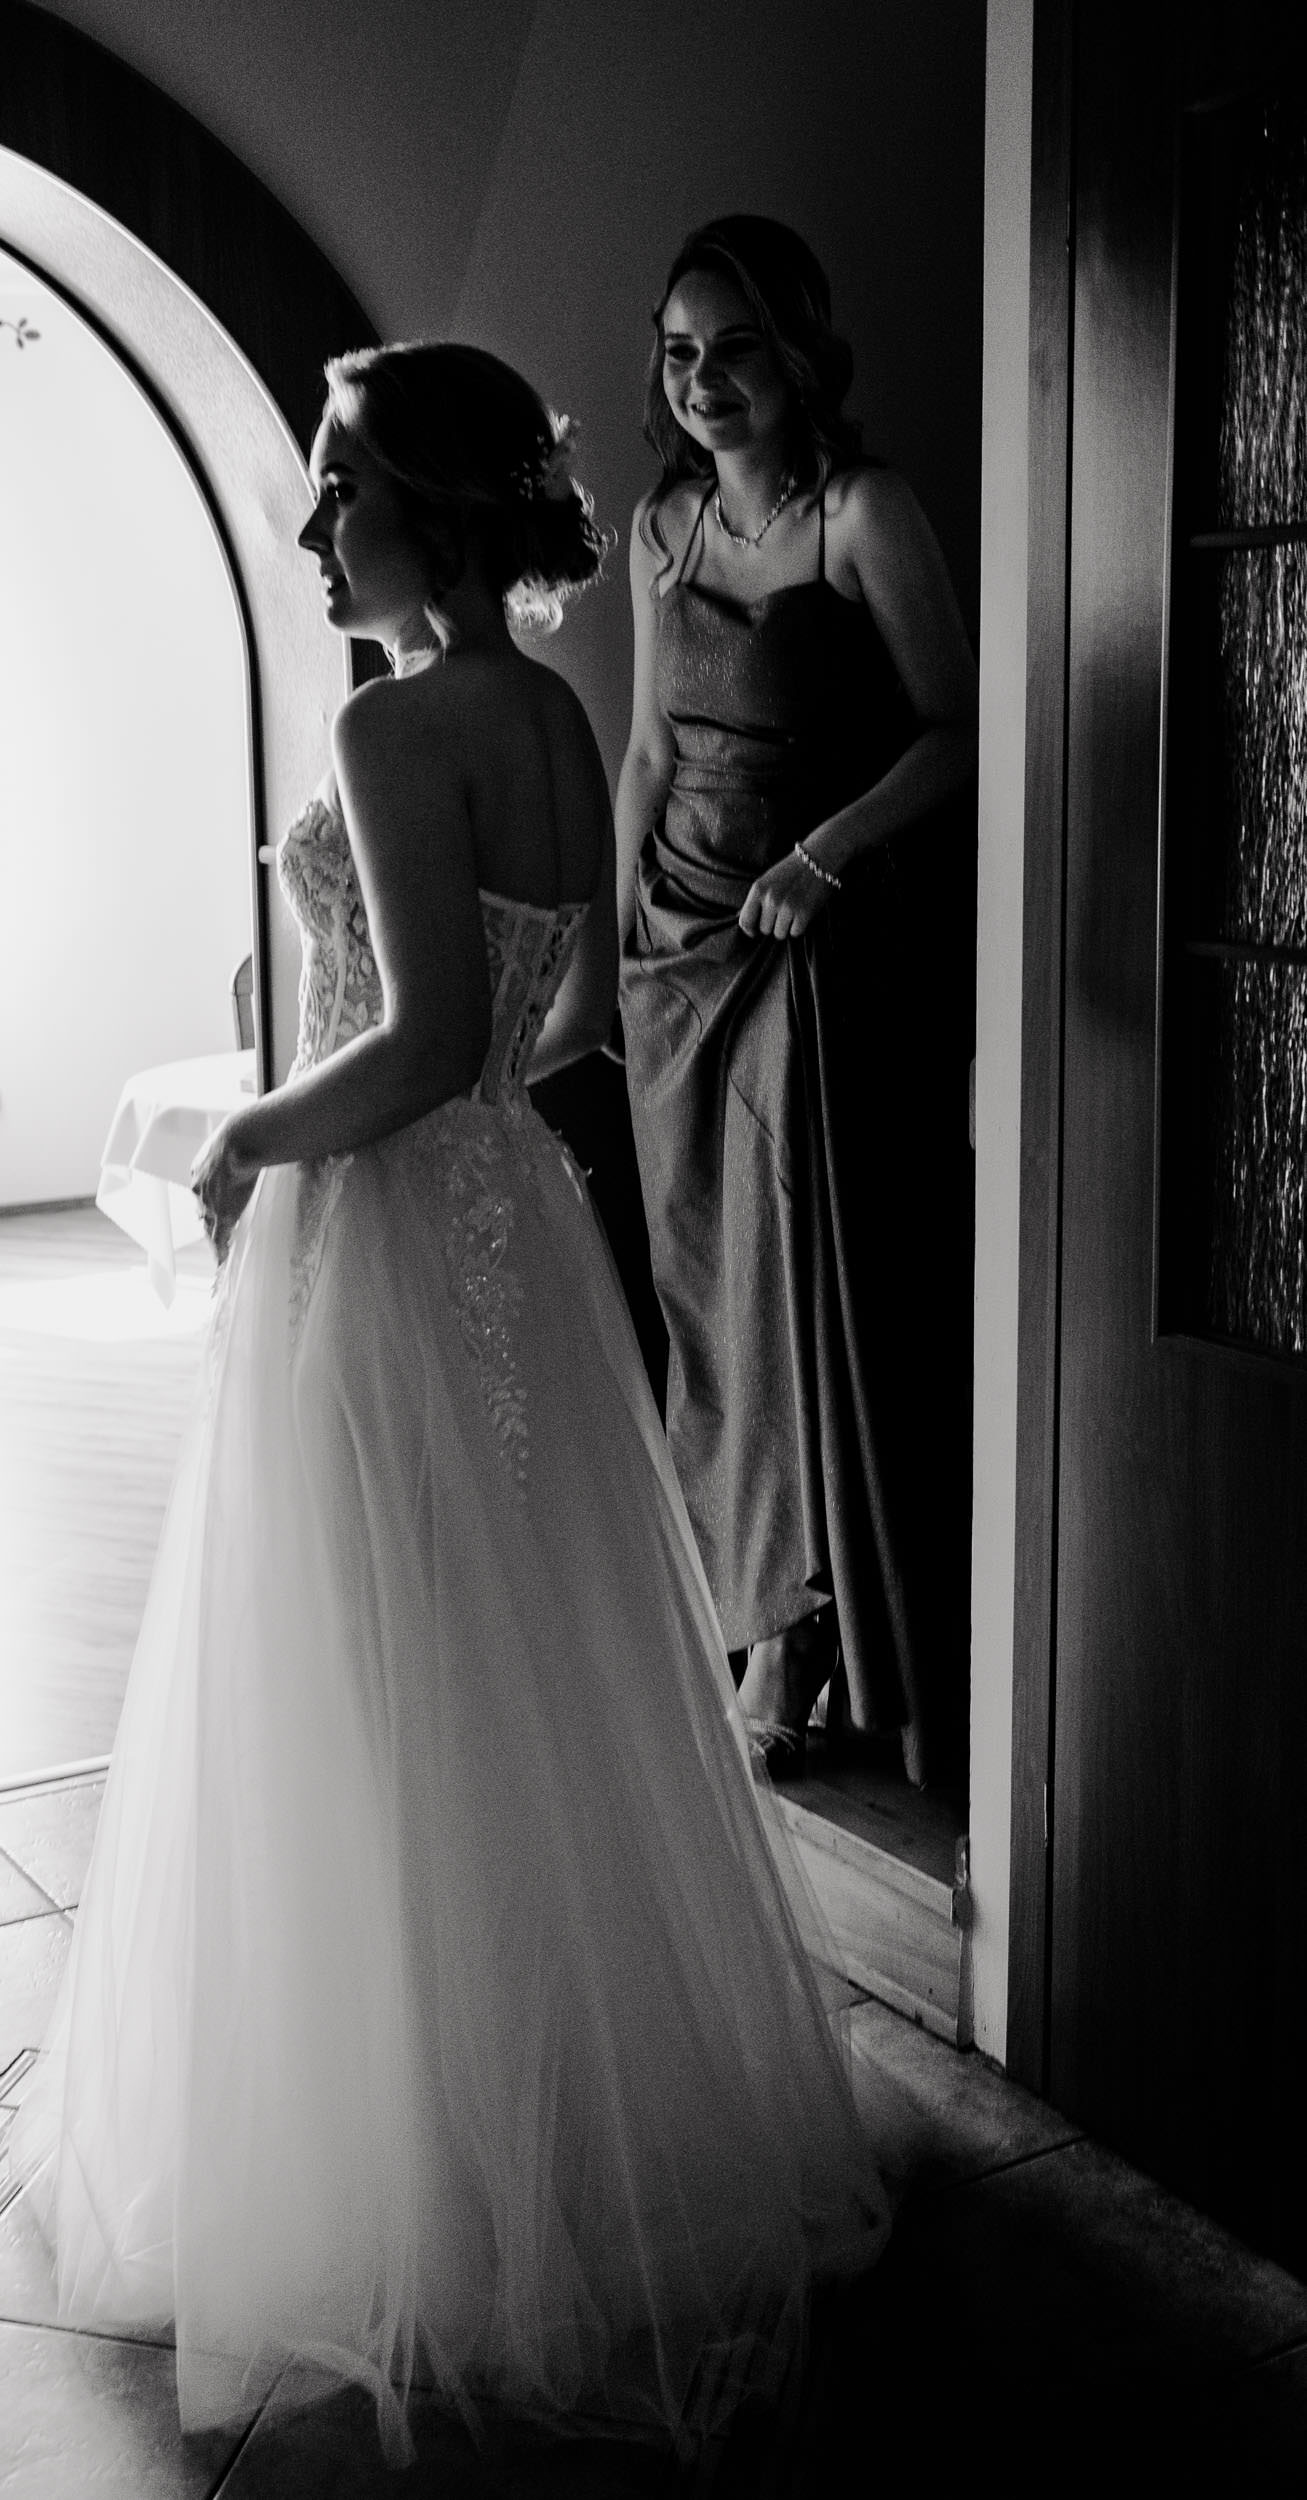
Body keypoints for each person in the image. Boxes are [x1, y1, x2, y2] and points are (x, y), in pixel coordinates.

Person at [14, 341, 887, 2468]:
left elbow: (406, 1043)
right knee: (522, 1659)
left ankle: (403, 2167)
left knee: (364, 1670)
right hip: (517, 1211)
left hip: (391, 1226)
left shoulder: (389, 719)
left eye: (344, 489)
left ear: (436, 506)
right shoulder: (554, 708)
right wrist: (417, 1065)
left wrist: (250, 1132)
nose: (320, 526)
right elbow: (549, 1012)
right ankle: (575, 2119)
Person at [616, 218, 979, 1786]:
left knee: (793, 1284)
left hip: (815, 946)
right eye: (679, 353)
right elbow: (647, 746)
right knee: (705, 1292)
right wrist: (613, 937)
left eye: (736, 348)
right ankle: (744, 1594)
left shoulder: (860, 514)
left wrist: (827, 856)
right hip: (678, 949)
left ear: (801, 353)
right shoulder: (663, 525)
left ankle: (808, 1630)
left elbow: (962, 728)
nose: (702, 381)